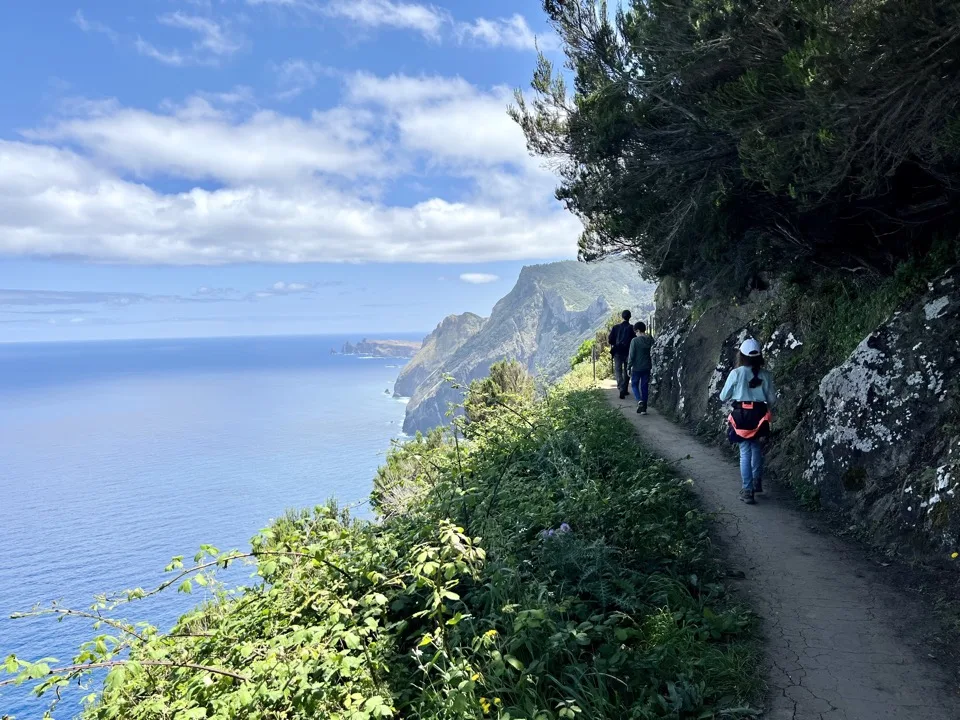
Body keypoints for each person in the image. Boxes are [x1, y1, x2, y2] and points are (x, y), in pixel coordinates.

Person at [720, 338, 777, 505]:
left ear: (742, 356)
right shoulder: (766, 375)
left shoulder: (736, 373)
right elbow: (772, 399)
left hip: (741, 415)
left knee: (745, 451)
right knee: (756, 448)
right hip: (760, 414)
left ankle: (747, 490)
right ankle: (757, 482)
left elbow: (724, 396)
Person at [627, 321, 654, 415]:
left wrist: (628, 367)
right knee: (644, 386)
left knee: (634, 384)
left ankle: (639, 401)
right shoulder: (650, 339)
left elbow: (631, 355)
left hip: (637, 367)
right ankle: (644, 409)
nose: (635, 334)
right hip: (647, 367)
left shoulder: (635, 341)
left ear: (638, 330)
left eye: (635, 332)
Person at [608, 310, 634, 398]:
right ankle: (625, 389)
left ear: (622, 317)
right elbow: (634, 340)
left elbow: (610, 340)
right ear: (630, 317)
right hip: (627, 352)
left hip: (617, 352)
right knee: (627, 370)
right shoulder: (632, 328)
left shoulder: (615, 327)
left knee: (618, 370)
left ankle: (620, 386)